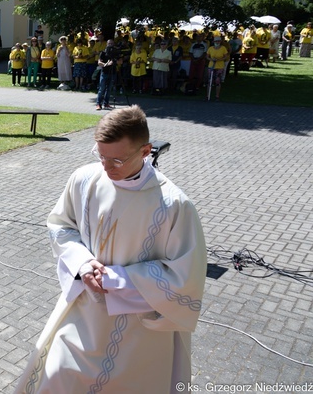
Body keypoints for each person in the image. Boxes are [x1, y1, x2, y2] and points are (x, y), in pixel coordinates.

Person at [15, 105, 206, 394]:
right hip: (83, 316)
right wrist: (81, 262)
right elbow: (61, 226)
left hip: (137, 334)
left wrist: (116, 280)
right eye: (100, 155)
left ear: (146, 151)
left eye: (116, 159)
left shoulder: (174, 206)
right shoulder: (85, 180)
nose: (106, 167)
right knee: (56, 377)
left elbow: (184, 279)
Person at [95, 39, 119, 110]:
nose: (110, 45)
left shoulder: (115, 53)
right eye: (109, 43)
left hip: (113, 72)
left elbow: (120, 61)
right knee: (102, 88)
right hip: (104, 72)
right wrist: (106, 64)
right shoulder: (103, 52)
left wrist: (116, 61)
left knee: (109, 89)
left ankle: (106, 103)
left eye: (112, 43)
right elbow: (99, 62)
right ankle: (98, 104)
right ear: (107, 44)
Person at [206, 36, 229, 101]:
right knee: (209, 81)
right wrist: (211, 59)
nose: (217, 42)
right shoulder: (210, 48)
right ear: (214, 42)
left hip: (219, 66)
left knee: (217, 81)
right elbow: (207, 56)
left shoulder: (223, 48)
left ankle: (217, 96)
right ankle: (207, 96)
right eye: (216, 41)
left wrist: (219, 59)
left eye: (218, 41)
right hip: (211, 66)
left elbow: (225, 56)